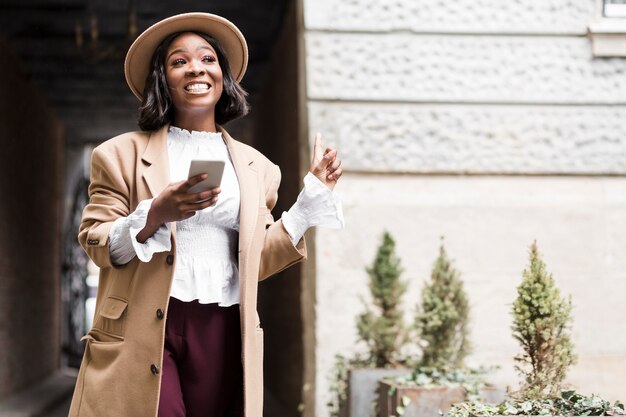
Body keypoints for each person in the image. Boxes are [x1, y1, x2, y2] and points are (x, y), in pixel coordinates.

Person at [67, 12, 343, 417]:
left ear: (222, 75)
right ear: (163, 78)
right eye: (179, 61)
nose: (196, 67)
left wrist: (308, 201)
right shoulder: (117, 155)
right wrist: (155, 214)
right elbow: (96, 242)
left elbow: (258, 259)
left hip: (224, 325)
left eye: (207, 59)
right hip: (144, 326)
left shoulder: (258, 168)